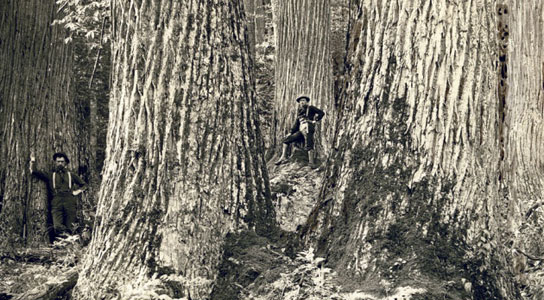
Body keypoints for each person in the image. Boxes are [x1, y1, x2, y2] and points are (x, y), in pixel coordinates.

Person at [30, 152, 86, 238]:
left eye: (62, 161)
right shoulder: (51, 175)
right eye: (58, 161)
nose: (60, 163)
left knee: (70, 226)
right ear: (55, 162)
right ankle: (64, 239)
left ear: (65, 163)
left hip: (69, 201)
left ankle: (68, 244)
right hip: (56, 201)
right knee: (57, 226)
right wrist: (32, 161)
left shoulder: (71, 175)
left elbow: (84, 185)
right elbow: (34, 172)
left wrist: (77, 191)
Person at [275, 95, 325, 166]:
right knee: (286, 140)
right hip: (301, 130)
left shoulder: (311, 108)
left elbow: (321, 113)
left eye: (303, 100)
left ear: (307, 102)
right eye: (300, 101)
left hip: (308, 129)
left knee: (309, 144)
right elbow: (296, 124)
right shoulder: (300, 111)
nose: (302, 102)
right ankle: (283, 157)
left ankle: (311, 162)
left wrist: (315, 120)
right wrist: (290, 132)